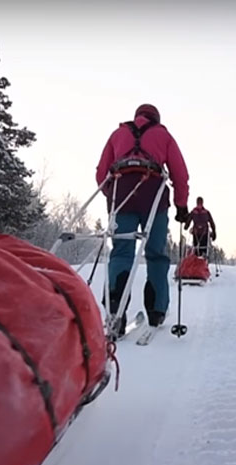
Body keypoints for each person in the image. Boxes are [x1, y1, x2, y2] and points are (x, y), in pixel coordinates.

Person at [95, 103, 189, 334]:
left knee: (121, 252)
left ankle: (115, 311)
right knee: (156, 254)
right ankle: (157, 311)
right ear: (156, 118)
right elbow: (180, 174)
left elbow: (101, 173)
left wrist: (111, 196)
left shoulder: (118, 134)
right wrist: (181, 206)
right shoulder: (163, 136)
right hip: (153, 197)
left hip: (122, 196)